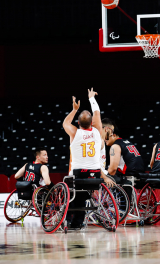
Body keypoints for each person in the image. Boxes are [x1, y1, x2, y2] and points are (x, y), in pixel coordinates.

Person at [62, 88, 114, 228]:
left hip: (76, 175)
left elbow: (65, 123)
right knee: (83, 194)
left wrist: (74, 110)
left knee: (71, 194)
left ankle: (66, 220)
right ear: (92, 124)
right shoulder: (98, 132)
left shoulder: (74, 133)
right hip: (94, 176)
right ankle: (78, 222)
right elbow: (97, 113)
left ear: (78, 124)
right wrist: (91, 98)